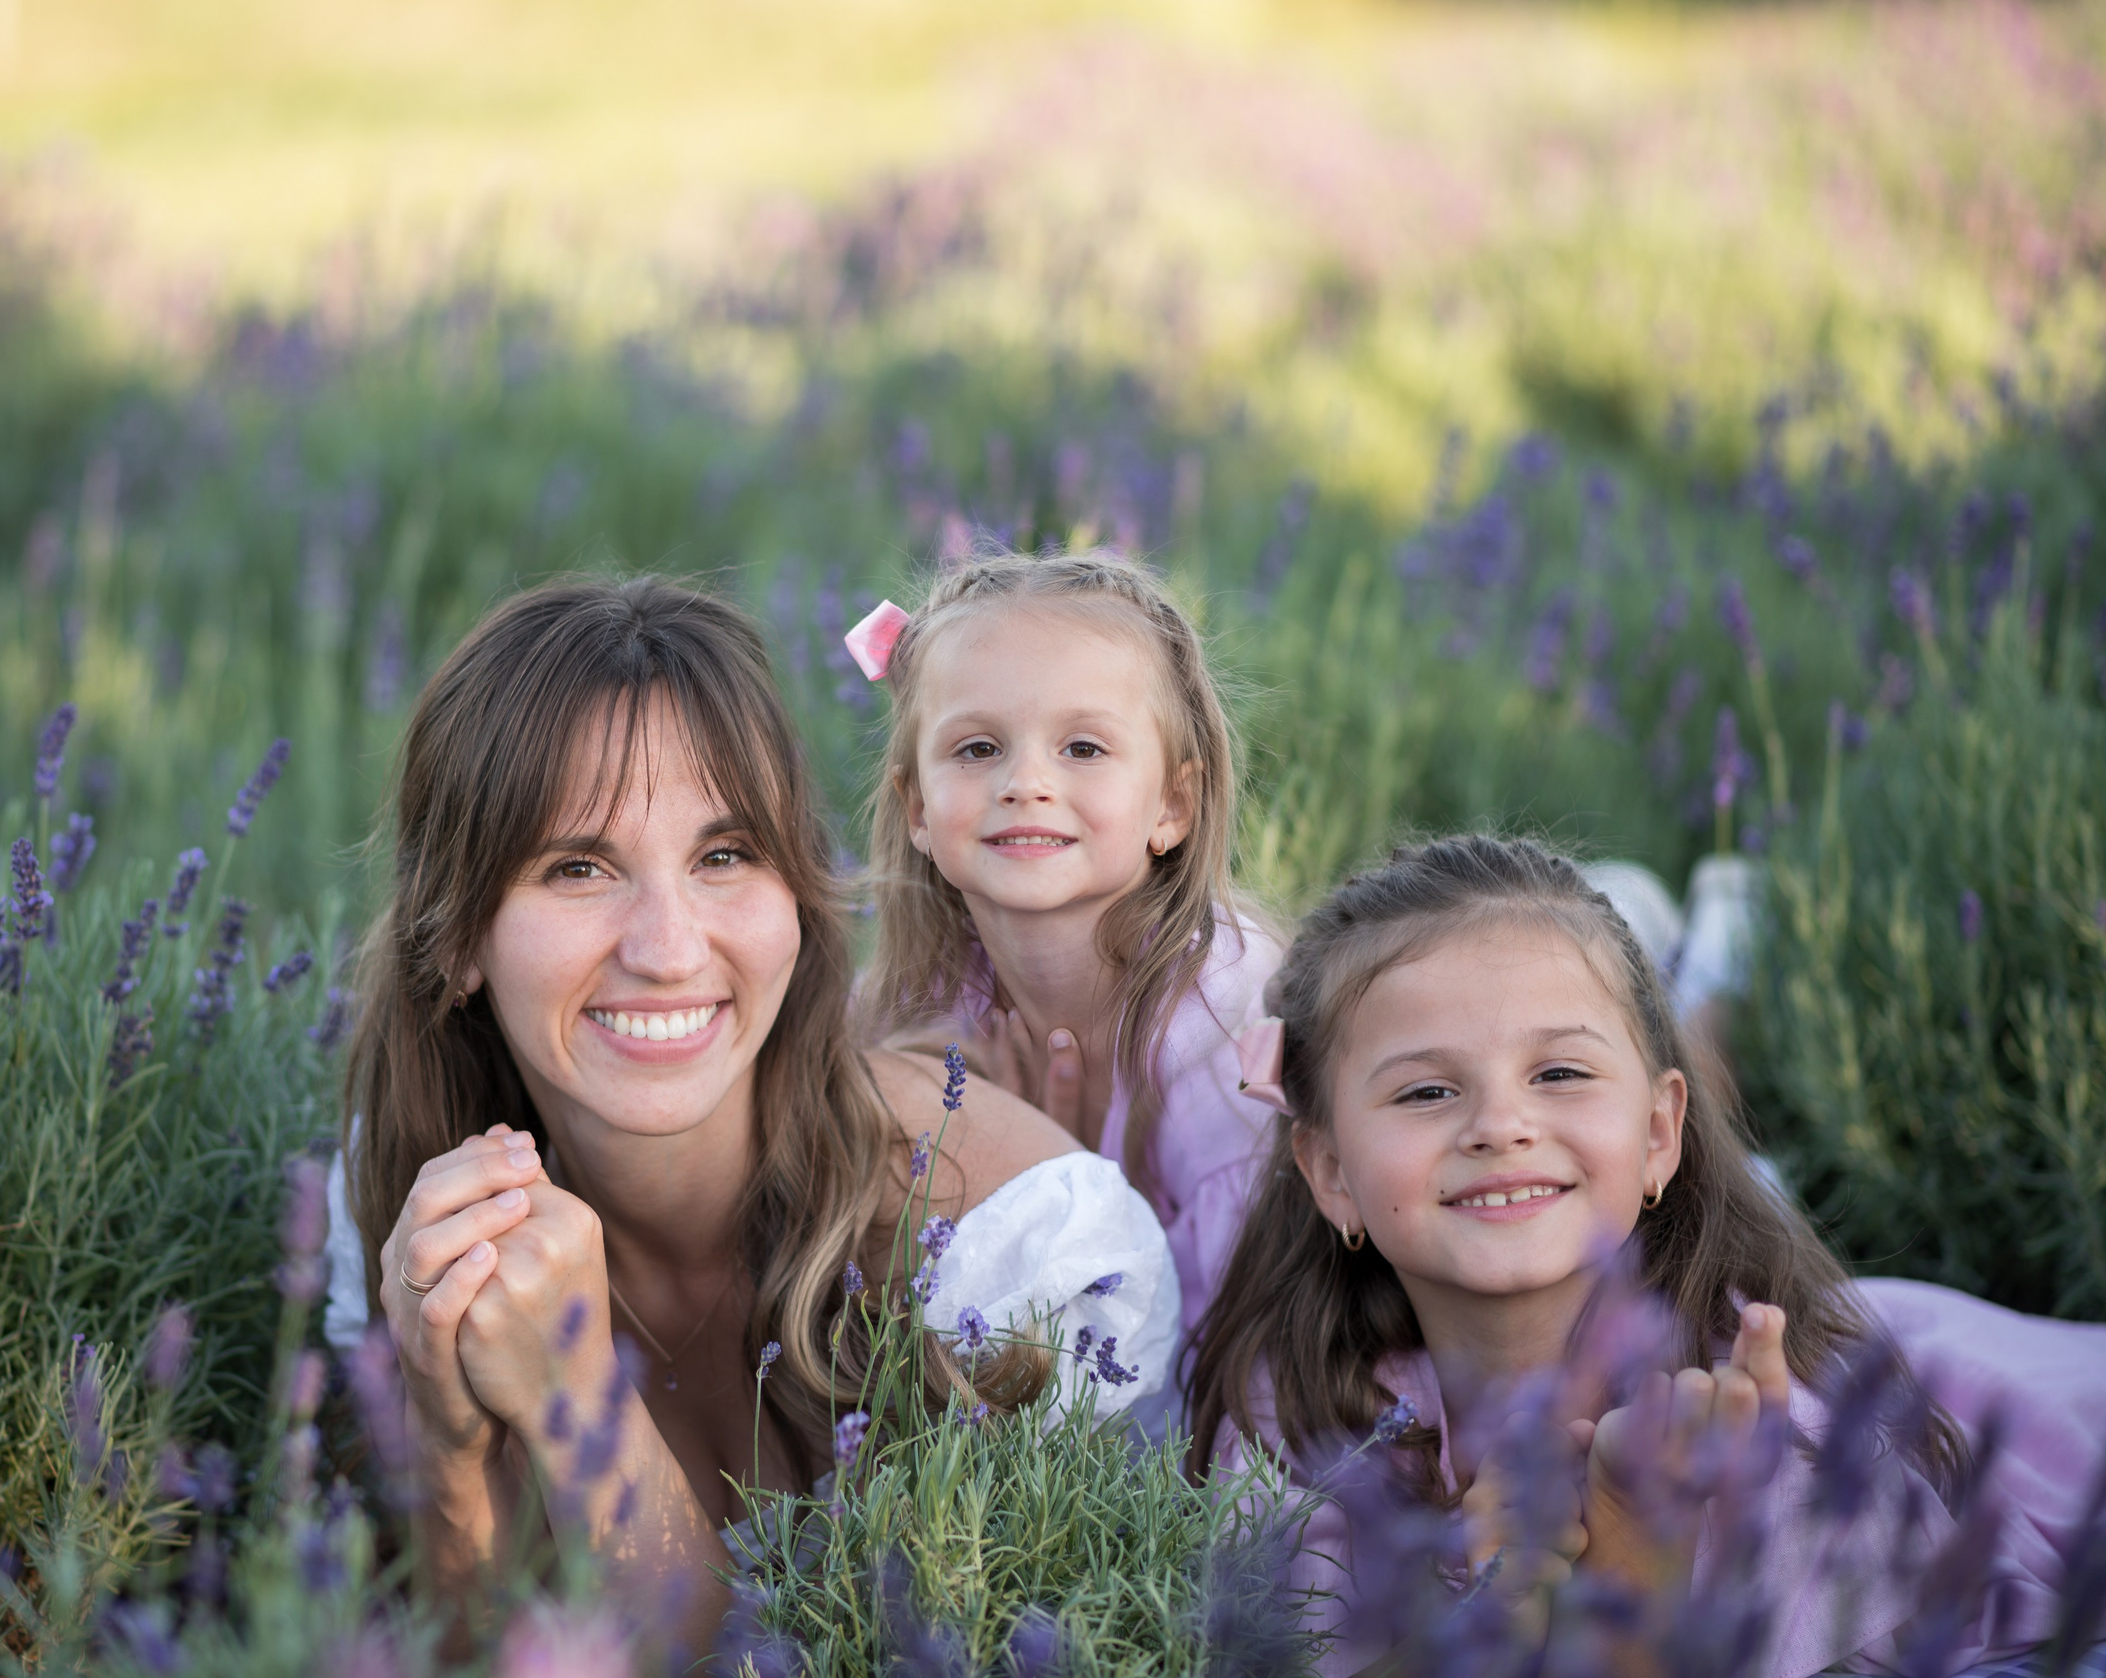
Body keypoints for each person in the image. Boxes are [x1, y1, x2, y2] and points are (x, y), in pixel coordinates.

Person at [317, 577, 1181, 1656]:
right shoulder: (409, 1204)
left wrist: (583, 1400)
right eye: (578, 867)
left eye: (725, 855)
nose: (669, 946)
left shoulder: (1028, 1257)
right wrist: (447, 1448)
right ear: (454, 940)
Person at [1185, 834, 2106, 1677]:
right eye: (1427, 1089)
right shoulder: (1301, 1409)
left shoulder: (1767, 1419)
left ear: (1661, 1132)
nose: (1501, 1125)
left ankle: (1729, 952)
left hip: (2008, 1421)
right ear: (1332, 1169)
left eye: (1560, 1073)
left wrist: (1627, 1543)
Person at [848, 553, 1285, 1362]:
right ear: (917, 805)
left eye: (1083, 748)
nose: (1026, 781)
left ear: (1172, 805)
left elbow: (1249, 1327)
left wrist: (1073, 1181)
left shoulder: (1220, 1019)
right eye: (977, 749)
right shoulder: (919, 1002)